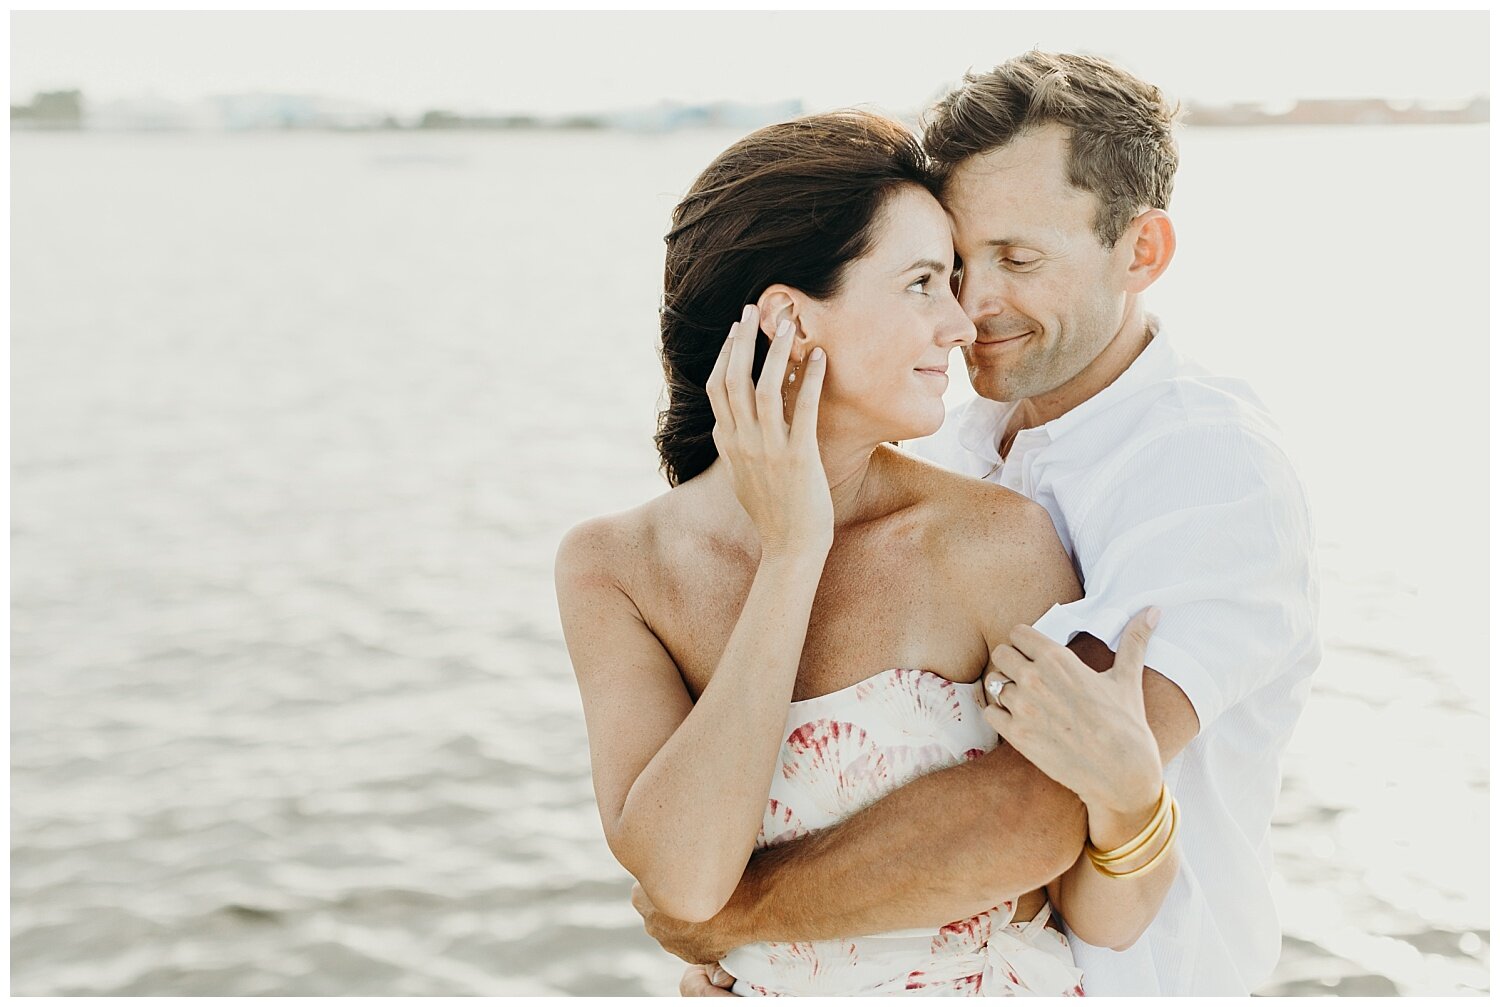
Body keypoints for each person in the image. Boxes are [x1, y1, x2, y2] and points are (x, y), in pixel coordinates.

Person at [649, 52, 1320, 997]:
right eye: (957, 265)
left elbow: (1033, 798)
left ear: (1142, 252)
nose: (973, 307)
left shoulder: (1211, 475)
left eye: (1019, 259)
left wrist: (734, 917)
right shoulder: (958, 444)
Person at [555, 110, 1182, 996]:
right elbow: (687, 880)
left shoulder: (993, 540)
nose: (963, 325)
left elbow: (1078, 880)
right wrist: (792, 552)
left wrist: (1136, 801)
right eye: (924, 283)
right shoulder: (615, 568)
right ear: (789, 318)